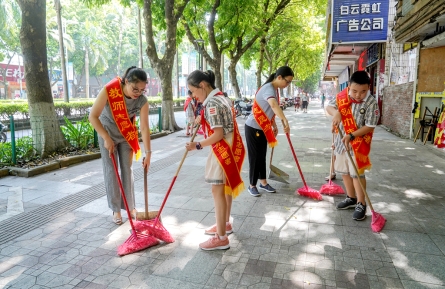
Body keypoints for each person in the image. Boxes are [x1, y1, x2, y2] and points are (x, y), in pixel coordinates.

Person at [185, 70, 245, 251]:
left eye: (193, 91)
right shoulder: (222, 97)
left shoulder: (211, 103)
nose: (193, 96)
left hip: (223, 150)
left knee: (216, 190)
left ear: (202, 85)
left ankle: (221, 238)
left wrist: (197, 145)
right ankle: (224, 224)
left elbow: (218, 134)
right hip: (233, 147)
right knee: (225, 189)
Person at [89, 66, 151, 225]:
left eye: (142, 90)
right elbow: (93, 116)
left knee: (127, 169)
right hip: (107, 132)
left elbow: (144, 127)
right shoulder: (110, 91)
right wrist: (105, 137)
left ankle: (130, 207)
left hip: (126, 135)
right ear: (126, 81)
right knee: (111, 170)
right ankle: (116, 209)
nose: (137, 93)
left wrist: (148, 152)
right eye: (134, 88)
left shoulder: (142, 100)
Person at [325, 70, 380, 221]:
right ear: (349, 86)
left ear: (368, 88)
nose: (358, 95)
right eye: (354, 91)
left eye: (363, 91)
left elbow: (370, 125)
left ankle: (361, 203)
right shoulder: (342, 96)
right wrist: (336, 113)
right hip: (341, 140)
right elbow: (329, 107)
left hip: (358, 142)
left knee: (357, 173)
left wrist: (352, 135)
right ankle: (351, 198)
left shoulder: (371, 102)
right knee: (344, 171)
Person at [245, 66, 292, 197]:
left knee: (262, 156)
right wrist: (284, 120)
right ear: (279, 77)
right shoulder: (268, 89)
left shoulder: (275, 90)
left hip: (262, 128)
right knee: (255, 158)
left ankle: (263, 183)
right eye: (287, 81)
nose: (287, 85)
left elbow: (268, 111)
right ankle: (252, 185)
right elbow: (273, 105)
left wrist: (274, 124)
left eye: (289, 83)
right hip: (253, 127)